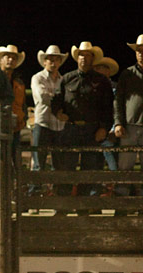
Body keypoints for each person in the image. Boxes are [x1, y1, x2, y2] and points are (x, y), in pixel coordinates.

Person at [51, 41, 113, 199]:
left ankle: (85, 207)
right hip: (71, 129)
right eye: (81, 55)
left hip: (92, 130)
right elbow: (55, 101)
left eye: (87, 55)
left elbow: (108, 108)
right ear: (77, 58)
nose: (84, 58)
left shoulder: (102, 81)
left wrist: (104, 128)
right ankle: (64, 206)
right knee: (66, 168)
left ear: (93, 59)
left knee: (90, 168)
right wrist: (58, 113)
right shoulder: (67, 79)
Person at [30, 45, 69, 183]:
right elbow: (43, 97)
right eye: (50, 59)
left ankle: (56, 193)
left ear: (60, 62)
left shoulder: (63, 79)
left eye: (56, 59)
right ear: (44, 61)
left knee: (58, 163)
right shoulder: (37, 78)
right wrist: (59, 107)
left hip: (58, 125)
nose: (53, 62)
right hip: (44, 123)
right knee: (38, 161)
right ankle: (35, 192)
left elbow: (53, 97)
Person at [114, 34, 143, 198]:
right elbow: (118, 100)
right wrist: (118, 123)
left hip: (134, 126)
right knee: (124, 166)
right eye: (138, 51)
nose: (141, 54)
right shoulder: (127, 74)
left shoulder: (127, 74)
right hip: (130, 127)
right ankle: (122, 203)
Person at [0, 45, 27, 157]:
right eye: (8, 57)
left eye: (14, 58)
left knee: (15, 157)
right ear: (1, 60)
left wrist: (23, 118)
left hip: (15, 127)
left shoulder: (19, 83)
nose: (11, 60)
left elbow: (23, 103)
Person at [93, 56, 120, 174]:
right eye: (98, 67)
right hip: (95, 128)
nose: (101, 70)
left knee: (110, 153)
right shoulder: (93, 87)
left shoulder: (115, 88)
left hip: (110, 129)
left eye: (104, 68)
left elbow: (117, 110)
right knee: (95, 159)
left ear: (108, 71)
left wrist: (113, 129)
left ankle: (114, 181)